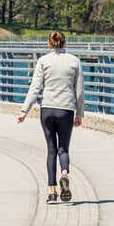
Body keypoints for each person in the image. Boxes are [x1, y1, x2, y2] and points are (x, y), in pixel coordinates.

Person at [18, 30, 84, 204]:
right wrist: (80, 114)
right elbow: (80, 91)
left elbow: (35, 88)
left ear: (50, 44)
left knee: (51, 150)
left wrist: (24, 110)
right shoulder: (74, 61)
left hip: (47, 110)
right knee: (63, 149)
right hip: (66, 110)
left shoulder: (43, 61)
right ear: (65, 43)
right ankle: (64, 173)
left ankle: (52, 193)